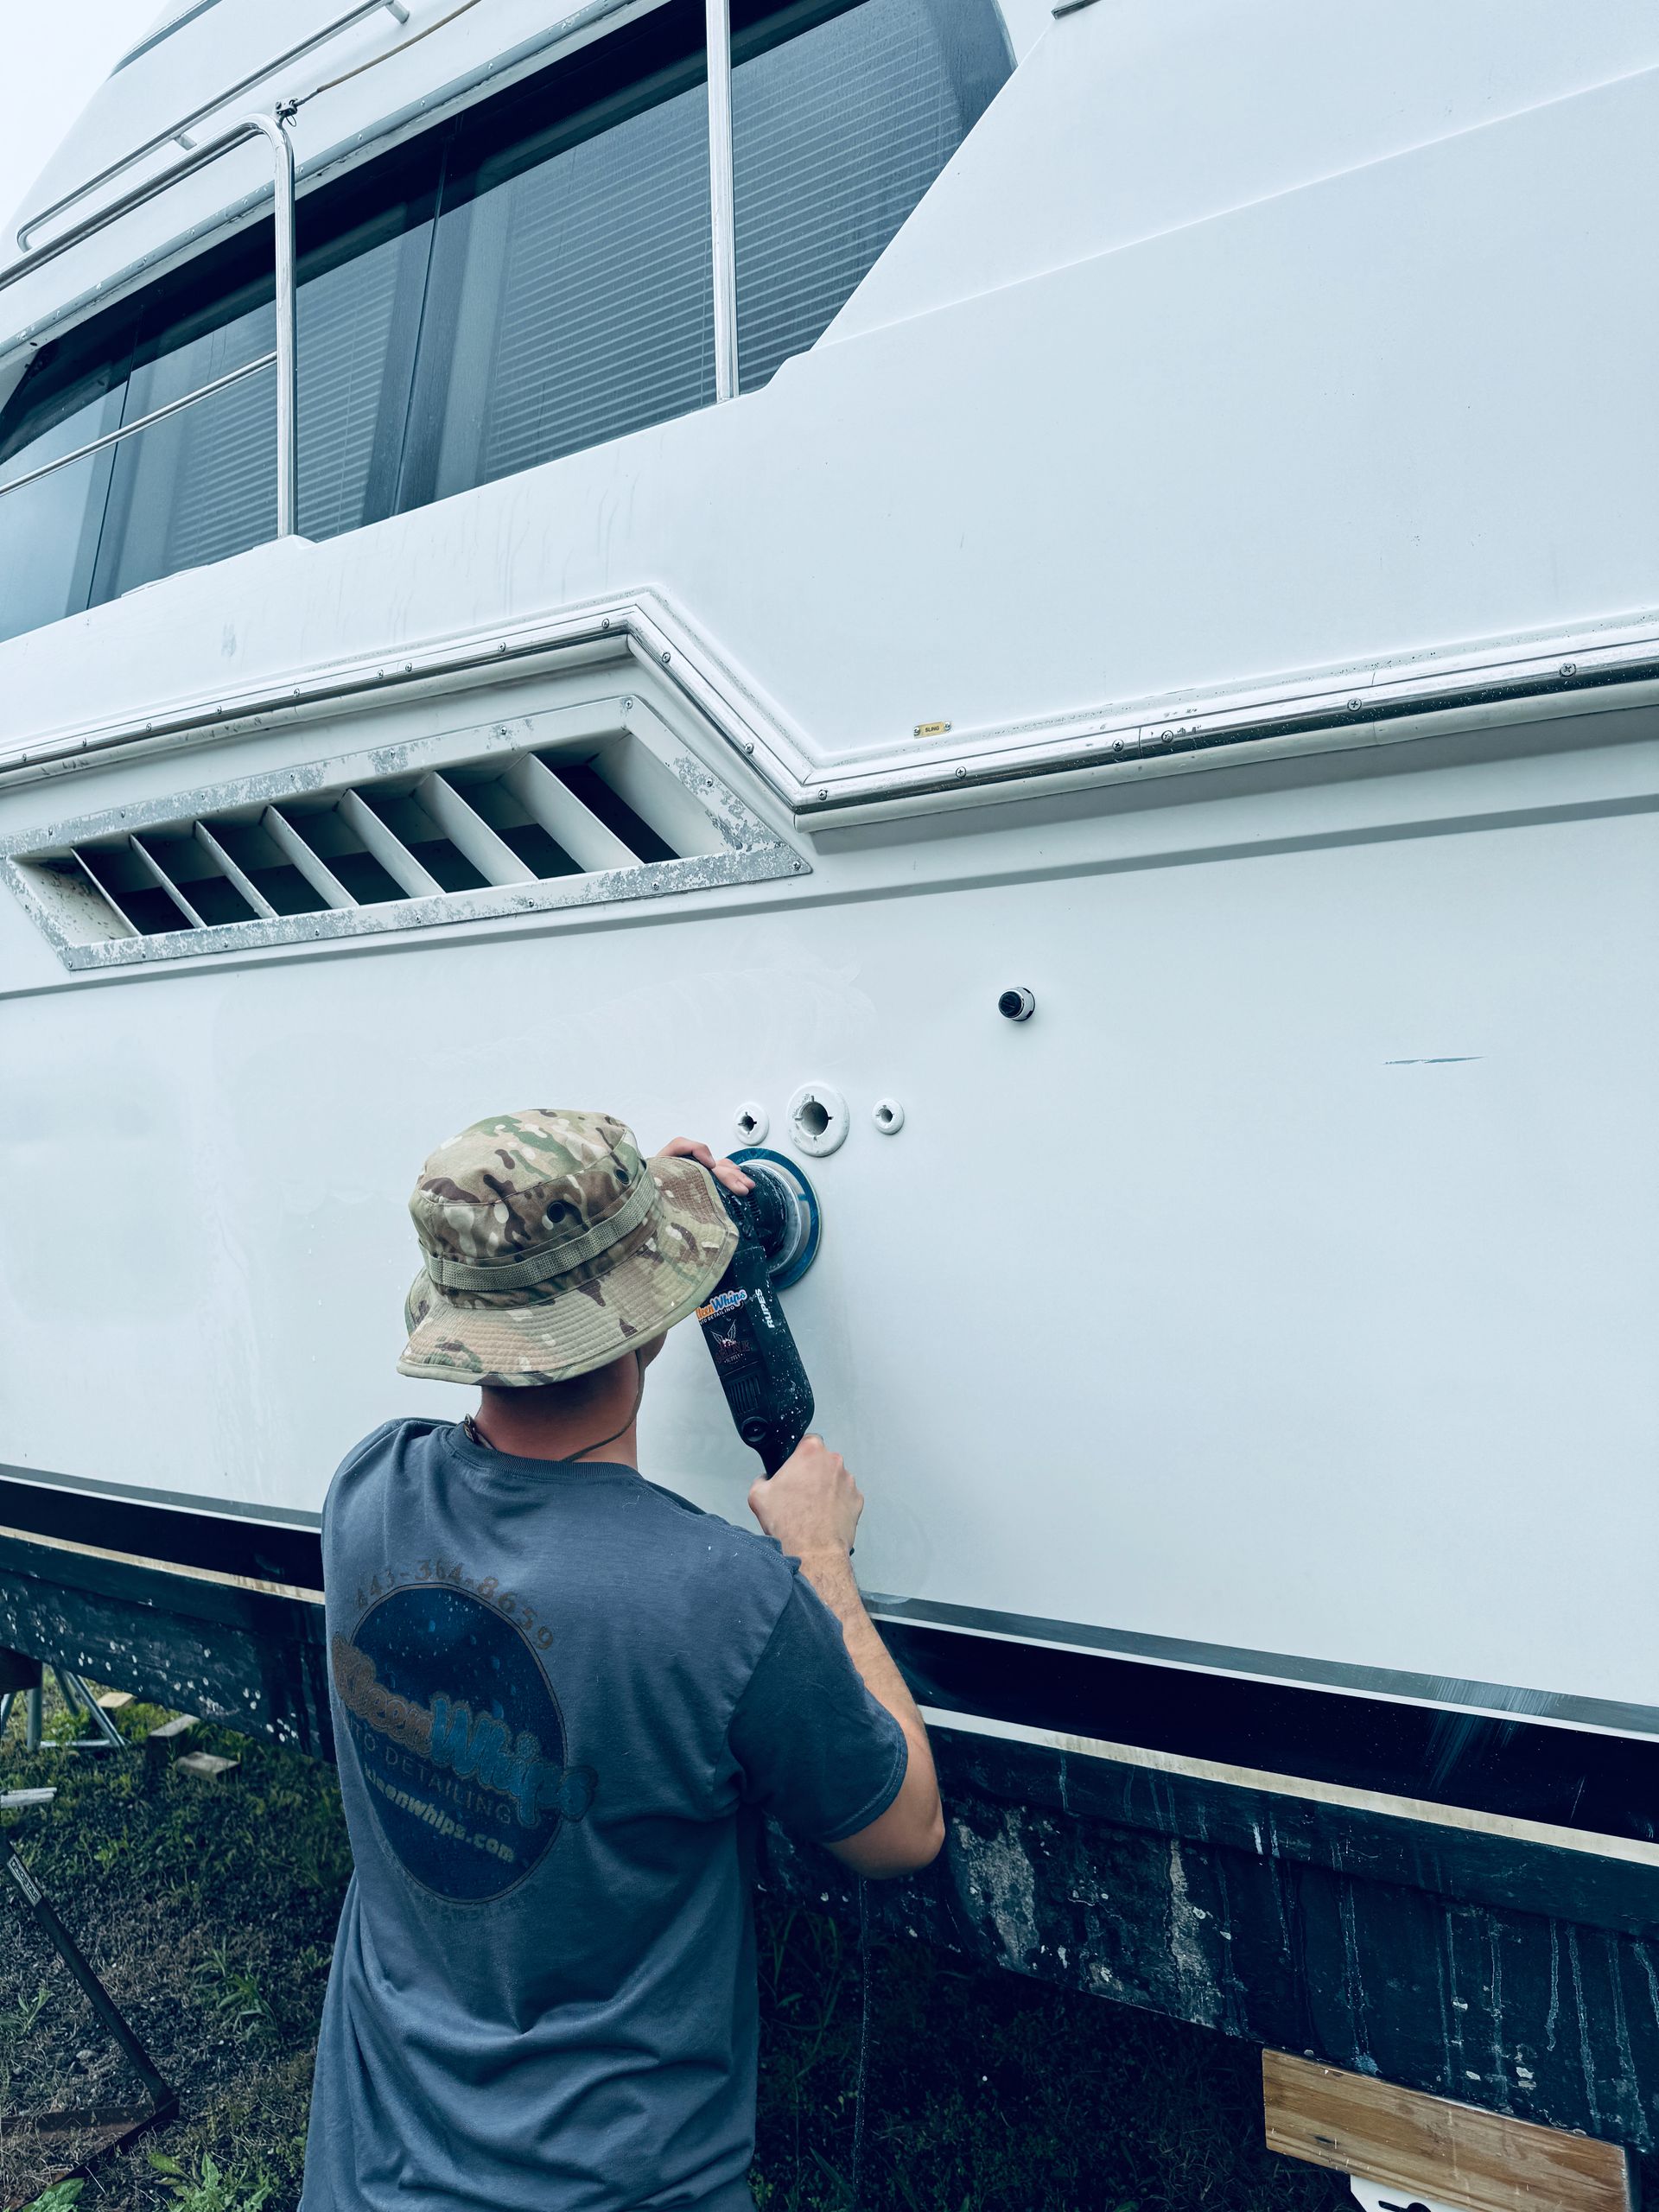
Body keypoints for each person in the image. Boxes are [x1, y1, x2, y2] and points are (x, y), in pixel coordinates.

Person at [300, 1108, 944, 2212]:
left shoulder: (367, 1493)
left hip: (373, 2180)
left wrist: (600, 1217)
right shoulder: (720, 1596)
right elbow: (904, 1832)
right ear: (651, 1323)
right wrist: (819, 1560)